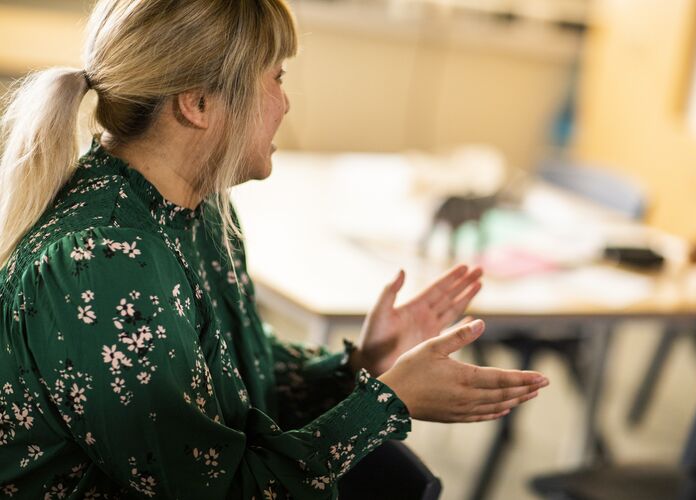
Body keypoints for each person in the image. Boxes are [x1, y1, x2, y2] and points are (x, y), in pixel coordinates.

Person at [0, 1, 549, 498]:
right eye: (275, 78)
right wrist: (386, 402)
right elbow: (220, 492)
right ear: (198, 104)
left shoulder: (194, 207)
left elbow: (234, 376)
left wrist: (360, 365)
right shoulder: (100, 260)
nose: (284, 103)